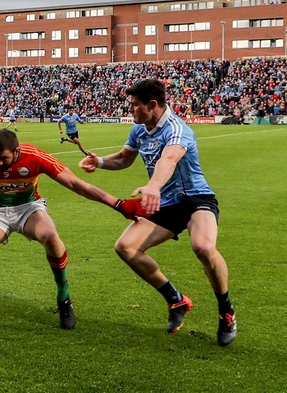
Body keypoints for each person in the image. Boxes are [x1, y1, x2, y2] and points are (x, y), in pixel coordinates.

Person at [0, 129, 148, 330]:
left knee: (51, 236)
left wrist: (117, 204)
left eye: (3, 158)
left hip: (28, 208)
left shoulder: (36, 157)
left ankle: (63, 298)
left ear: (17, 151)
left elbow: (75, 184)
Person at [79, 79, 237, 347]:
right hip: (165, 202)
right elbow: (124, 158)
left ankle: (226, 311)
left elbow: (169, 159)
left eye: (134, 105)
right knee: (126, 247)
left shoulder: (176, 129)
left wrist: (153, 186)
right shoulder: (139, 129)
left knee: (203, 247)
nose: (130, 110)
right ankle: (176, 300)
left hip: (195, 198)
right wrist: (101, 162)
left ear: (152, 105)